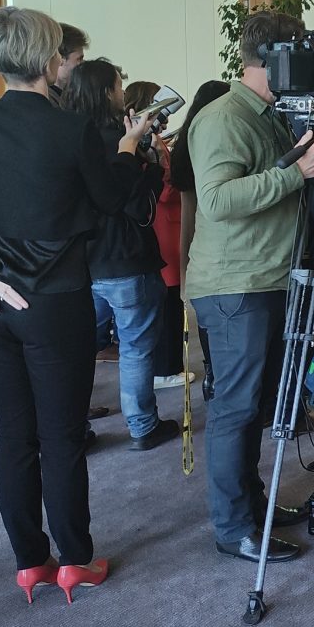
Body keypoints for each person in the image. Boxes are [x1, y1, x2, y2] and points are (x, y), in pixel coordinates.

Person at [0, 6, 154, 603]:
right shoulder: (68, 128)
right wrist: (130, 148)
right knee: (59, 438)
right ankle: (75, 559)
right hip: (56, 302)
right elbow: (110, 200)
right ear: (48, 60)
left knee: (13, 436)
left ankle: (30, 563)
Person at [186, 11, 314, 564]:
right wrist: (297, 173)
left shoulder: (269, 114)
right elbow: (219, 201)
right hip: (235, 285)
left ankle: (254, 503)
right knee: (236, 409)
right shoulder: (224, 118)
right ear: (273, 59)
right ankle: (233, 527)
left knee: (258, 405)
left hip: (267, 278)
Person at [64, 60, 179, 451]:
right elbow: (130, 203)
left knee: (78, 349)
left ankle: (72, 426)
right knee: (135, 347)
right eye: (117, 86)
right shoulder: (121, 138)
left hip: (82, 263)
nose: (121, 92)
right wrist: (146, 161)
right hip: (127, 258)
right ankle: (143, 426)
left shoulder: (70, 136)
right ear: (105, 92)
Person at [123, 81, 191, 390]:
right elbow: (162, 190)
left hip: (170, 226)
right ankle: (165, 369)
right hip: (165, 226)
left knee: (170, 302)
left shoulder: (153, 140)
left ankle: (168, 366)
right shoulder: (143, 144)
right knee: (167, 304)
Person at [169, 79, 231, 391]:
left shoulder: (184, 150)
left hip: (201, 259)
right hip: (227, 254)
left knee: (209, 325)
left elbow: (187, 219)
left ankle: (213, 378)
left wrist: (185, 274)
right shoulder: (222, 146)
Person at [48, 22, 88, 106]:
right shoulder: (47, 101)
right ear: (60, 58)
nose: (83, 64)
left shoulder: (70, 96)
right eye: (79, 59)